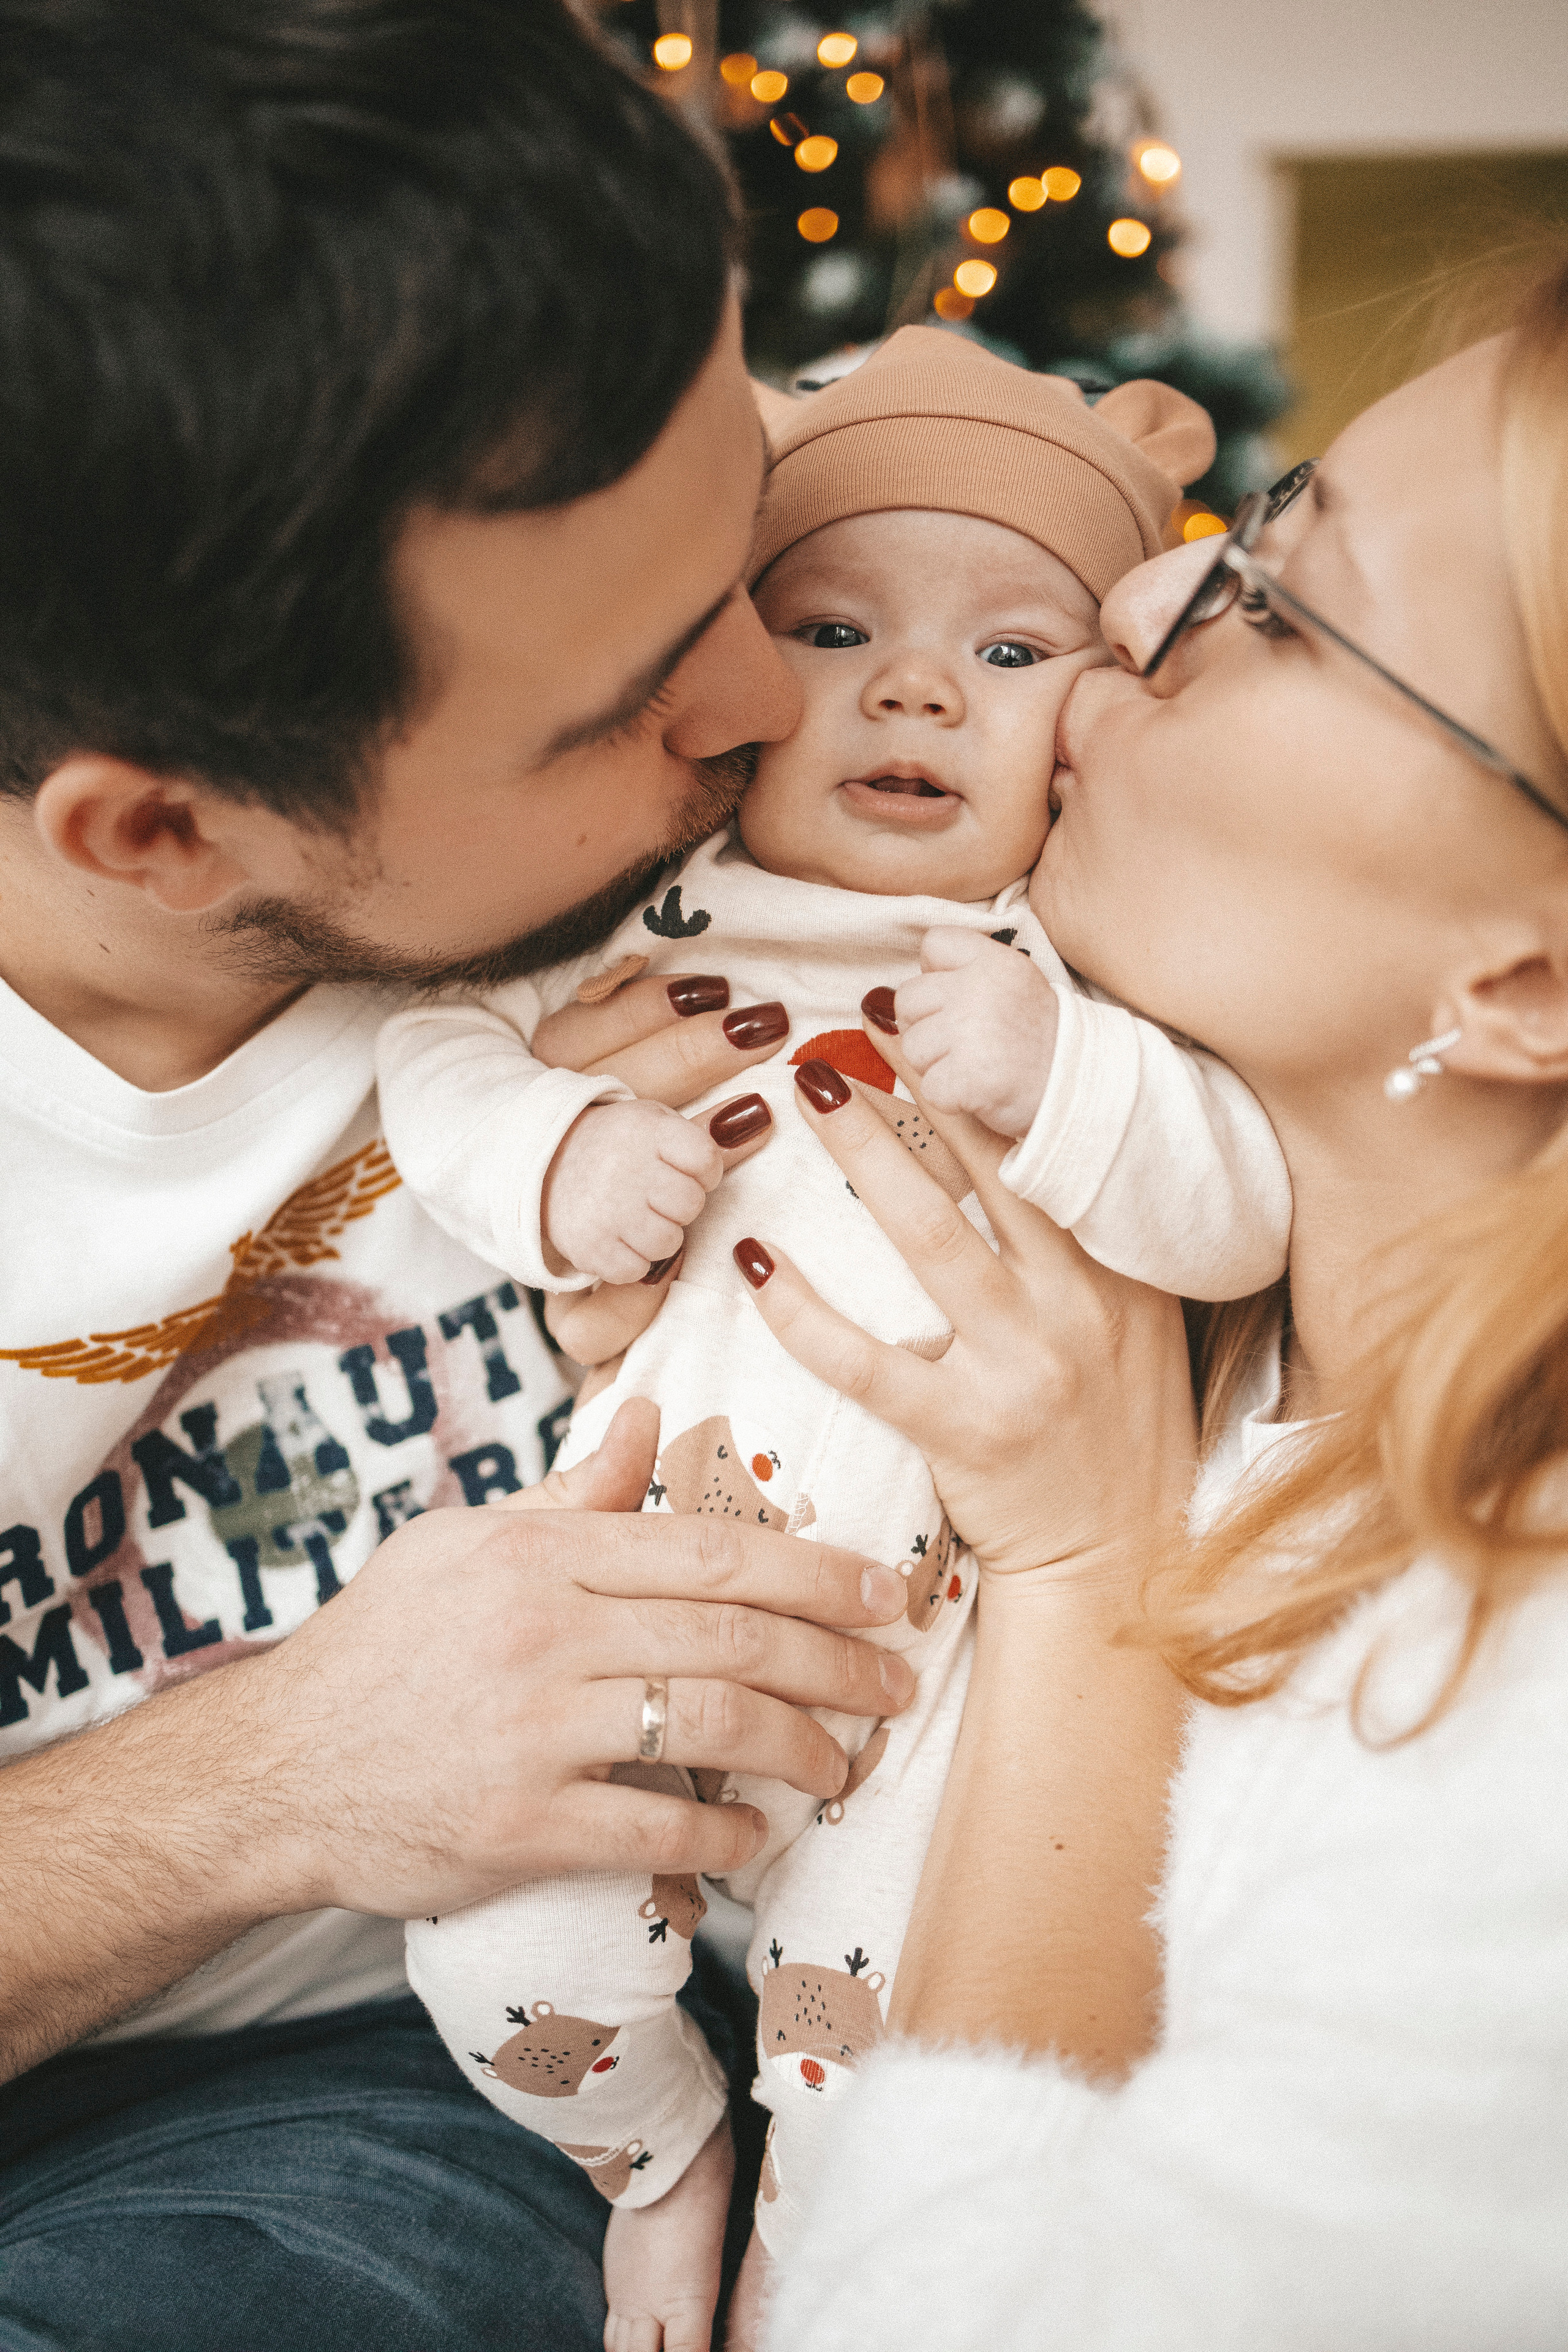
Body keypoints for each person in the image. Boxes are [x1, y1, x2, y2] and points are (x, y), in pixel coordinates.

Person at [0, 6, 922, 2346]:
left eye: (756, 528)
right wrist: (282, 1770)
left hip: (377, 2082)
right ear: (165, 830)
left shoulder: (729, 788)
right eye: (630, 695)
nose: (775, 702)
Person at [374, 325, 1290, 2352]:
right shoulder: (650, 927)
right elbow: (424, 1057)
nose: (911, 688)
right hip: (654, 1615)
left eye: (1013, 650)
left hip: (953, 1692)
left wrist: (1063, 1080)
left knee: (894, 2065)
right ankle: (664, 2157)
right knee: (505, 1968)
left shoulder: (1079, 966)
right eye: (839, 623)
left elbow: (1237, 1204)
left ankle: (807, 2227)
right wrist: (551, 1150)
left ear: (1096, 720)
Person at [724, 263, 1568, 2348]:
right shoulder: (1186, 1270)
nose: (1133, 601)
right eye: (1249, 520)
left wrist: (1093, 1576)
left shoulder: (1514, 1763)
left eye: (1283, 603)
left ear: (1527, 984)